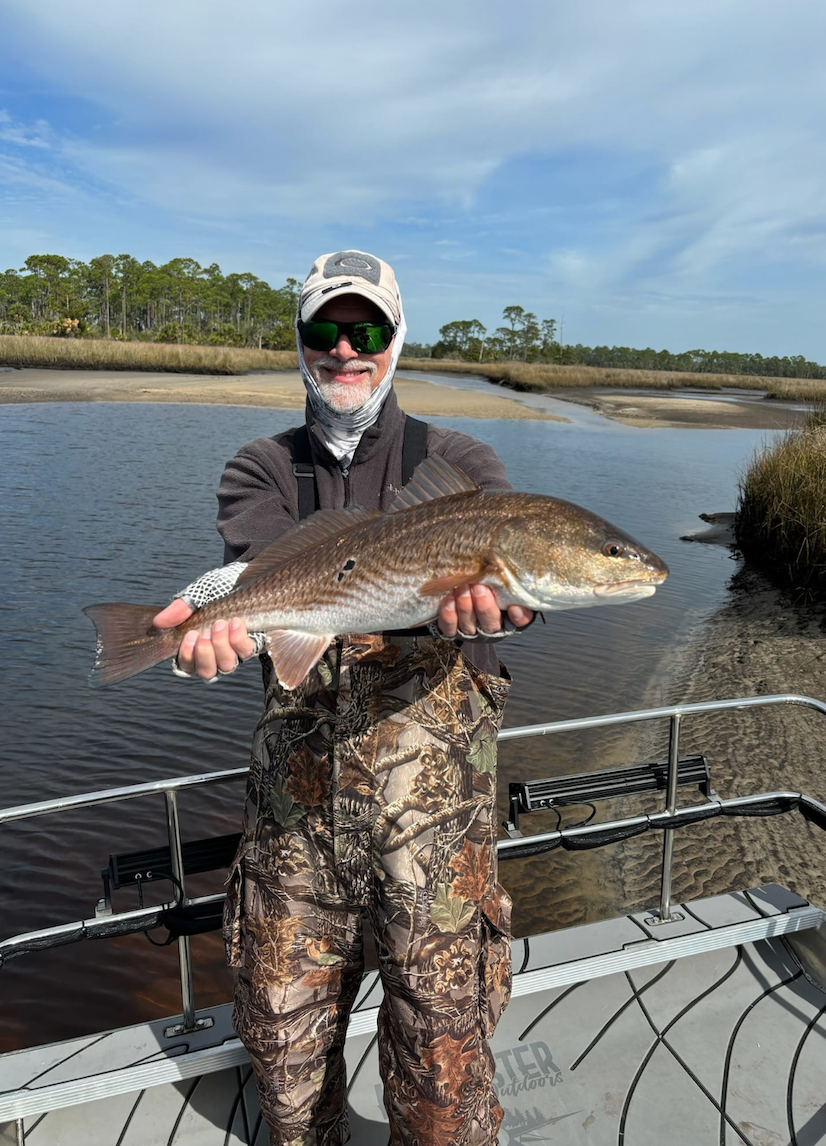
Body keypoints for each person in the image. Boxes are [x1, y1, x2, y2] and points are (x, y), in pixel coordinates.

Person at [153, 250, 533, 1146]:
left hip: (436, 837)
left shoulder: (461, 460)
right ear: (301, 344)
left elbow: (510, 594)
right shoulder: (262, 467)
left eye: (366, 331)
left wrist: (498, 613)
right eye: (326, 331)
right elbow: (253, 578)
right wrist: (209, 614)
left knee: (443, 1091)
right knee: (286, 1089)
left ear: (396, 341)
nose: (346, 351)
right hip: (296, 824)